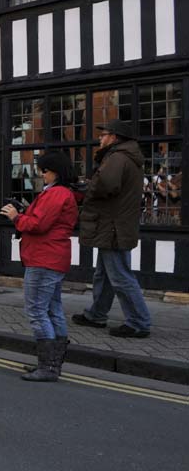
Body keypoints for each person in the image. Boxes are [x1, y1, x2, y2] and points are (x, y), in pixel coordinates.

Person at [1, 151, 78, 382]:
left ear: (56, 171)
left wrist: (16, 217)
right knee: (53, 310)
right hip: (51, 257)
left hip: (44, 258)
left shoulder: (56, 194)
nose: (41, 174)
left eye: (44, 170)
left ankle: (48, 366)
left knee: (36, 310)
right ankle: (52, 365)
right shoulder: (59, 193)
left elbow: (39, 225)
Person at [72, 119, 152, 338]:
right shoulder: (126, 157)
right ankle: (96, 314)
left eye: (104, 134)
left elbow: (106, 185)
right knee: (105, 275)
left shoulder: (117, 157)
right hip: (115, 224)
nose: (100, 138)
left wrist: (87, 187)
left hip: (112, 226)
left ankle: (138, 322)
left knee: (120, 276)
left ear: (114, 137)